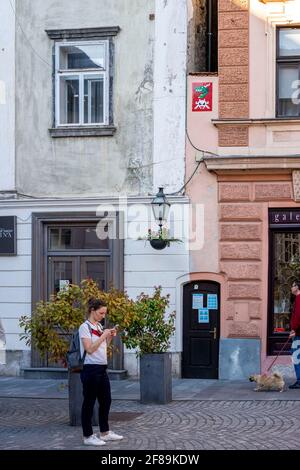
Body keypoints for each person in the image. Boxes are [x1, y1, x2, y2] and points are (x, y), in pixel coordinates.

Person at [79, 298, 123, 446]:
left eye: (105, 313)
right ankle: (88, 436)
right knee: (89, 403)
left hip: (102, 368)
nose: (103, 316)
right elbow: (90, 349)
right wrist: (103, 335)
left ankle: (104, 433)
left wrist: (109, 337)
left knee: (106, 400)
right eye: (101, 313)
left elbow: (103, 347)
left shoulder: (98, 326)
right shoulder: (84, 327)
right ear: (92, 310)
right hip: (90, 369)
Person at [289, 281, 300, 389]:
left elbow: (297, 317)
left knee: (296, 357)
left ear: (297, 287)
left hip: (298, 334)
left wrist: (294, 330)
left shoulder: (298, 299)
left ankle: (299, 380)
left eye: (292, 286)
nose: (291, 288)